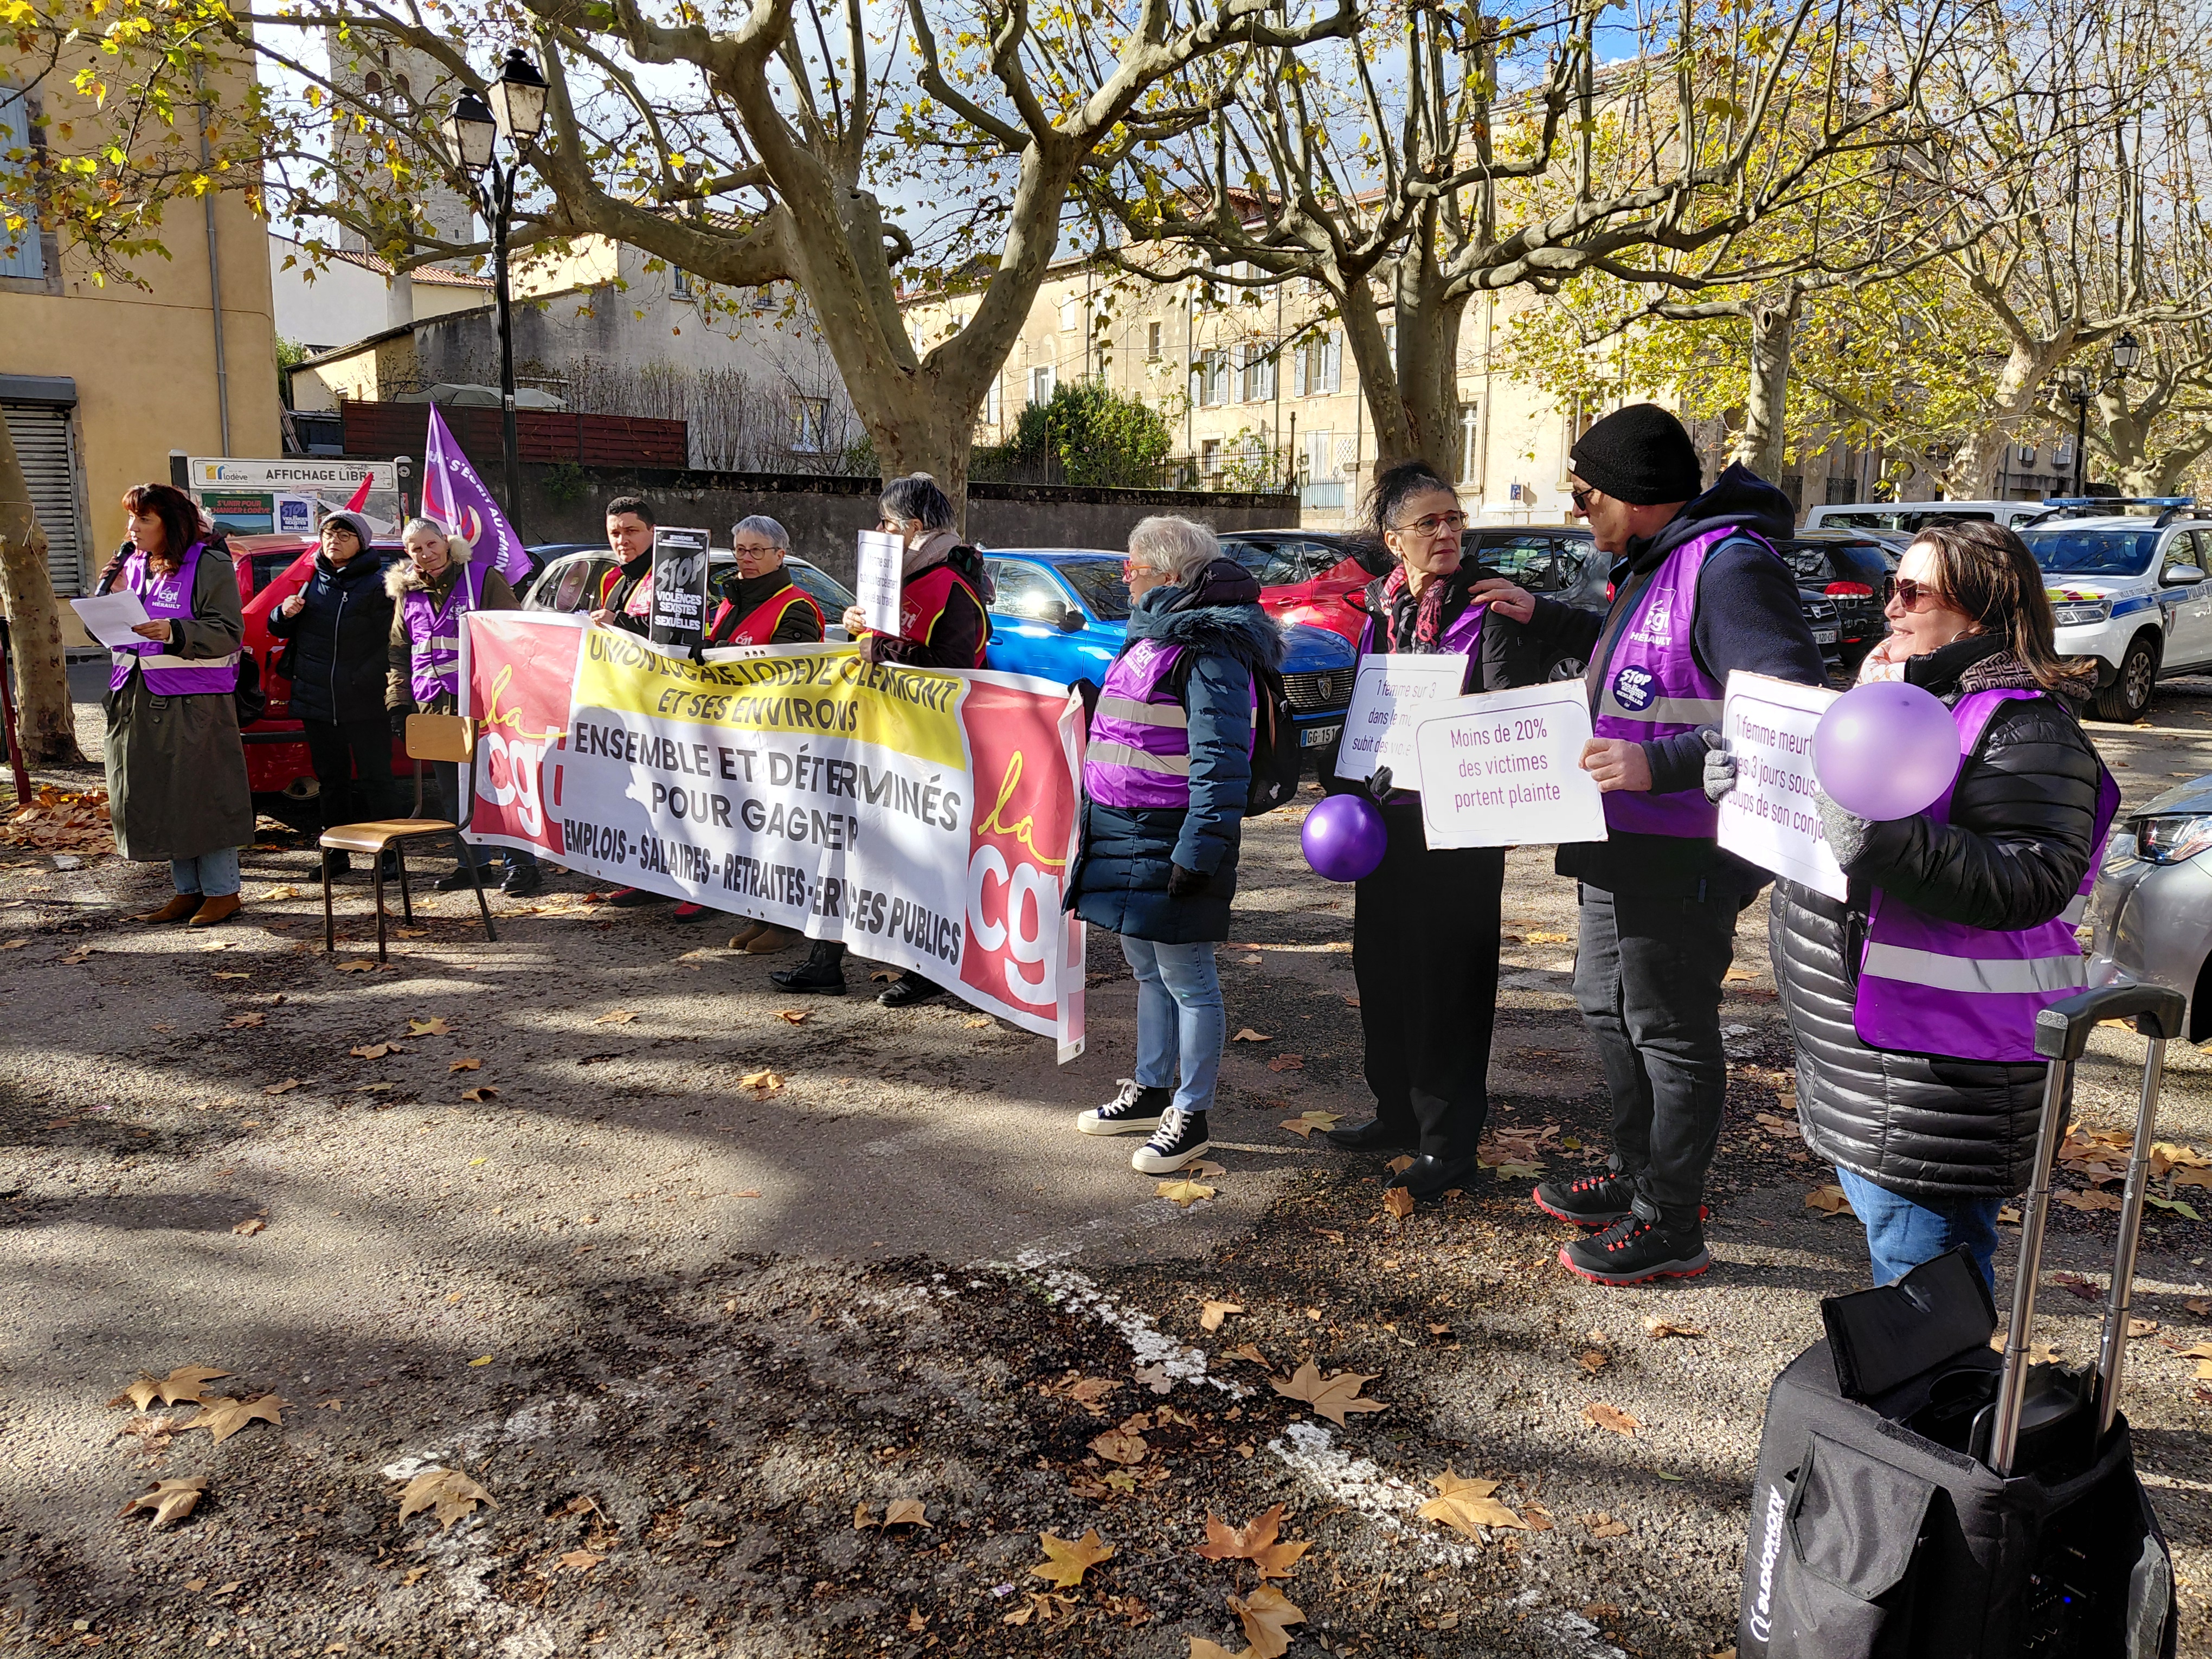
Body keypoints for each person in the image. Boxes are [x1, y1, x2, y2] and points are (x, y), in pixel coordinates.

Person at [1727, 522, 2110, 1289]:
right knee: (1908, 1273)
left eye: (1912, 591)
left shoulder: (2026, 727)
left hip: (1944, 1069)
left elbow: (2031, 880)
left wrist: (1879, 839)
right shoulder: (1908, 696)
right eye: (1889, 588)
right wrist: (1750, 785)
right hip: (1876, 1056)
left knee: (1925, 1287)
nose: (1889, 606)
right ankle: (1927, 1402)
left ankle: (1941, 1407)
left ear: (1984, 611)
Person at [1512, 404, 1827, 1285]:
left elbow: (1788, 714)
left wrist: (1662, 765)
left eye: (1584, 496)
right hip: (1616, 842)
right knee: (1605, 1006)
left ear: (1634, 494)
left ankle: (1671, 1220)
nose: (1579, 514)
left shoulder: (1727, 567)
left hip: (1684, 848)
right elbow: (1635, 671)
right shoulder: (1651, 564)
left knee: (1668, 1029)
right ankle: (1635, 1171)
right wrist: (1546, 617)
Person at [1314, 461, 1542, 1204]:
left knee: (1448, 986)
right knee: (1381, 972)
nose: (1447, 534)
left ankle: (1448, 1145)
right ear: (1393, 540)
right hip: (1384, 826)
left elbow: (1511, 713)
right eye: (1428, 524)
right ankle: (1396, 1114)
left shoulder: (1491, 609)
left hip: (1458, 828)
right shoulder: (1381, 613)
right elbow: (1367, 711)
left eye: (1455, 520)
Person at [1069, 516, 1282, 1174]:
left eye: (1131, 568)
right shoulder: (1158, 634)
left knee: (1188, 979)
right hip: (1126, 831)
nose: (1125, 578)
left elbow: (1221, 759)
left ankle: (1191, 1115)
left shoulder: (1209, 647)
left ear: (1168, 574)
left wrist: (1200, 849)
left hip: (1170, 835)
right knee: (1148, 971)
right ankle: (1152, 1087)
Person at [773, 473, 992, 1005]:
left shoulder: (954, 586)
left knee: (924, 862)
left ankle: (930, 970)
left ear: (914, 528)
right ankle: (825, 961)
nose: (878, 530)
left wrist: (886, 652)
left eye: (887, 522)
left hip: (926, 754)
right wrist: (859, 628)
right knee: (842, 844)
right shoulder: (900, 580)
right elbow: (879, 645)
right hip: (873, 740)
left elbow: (955, 670)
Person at [102, 484, 254, 927]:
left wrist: (173, 630)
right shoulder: (133, 564)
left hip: (195, 703)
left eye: (144, 520)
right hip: (138, 696)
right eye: (131, 519)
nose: (132, 528)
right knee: (165, 796)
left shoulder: (209, 563)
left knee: (203, 794)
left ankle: (224, 892)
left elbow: (228, 631)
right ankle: (187, 892)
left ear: (172, 523)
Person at [683, 515, 825, 946]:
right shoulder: (730, 600)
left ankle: (787, 923)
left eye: (756, 551)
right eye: (741, 550)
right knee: (747, 830)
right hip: (733, 735)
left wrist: (723, 655)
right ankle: (760, 911)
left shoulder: (796, 605)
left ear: (780, 555)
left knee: (779, 831)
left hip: (778, 737)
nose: (745, 559)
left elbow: (792, 670)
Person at [384, 518, 542, 897]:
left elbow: (516, 635)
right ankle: (471, 865)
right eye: (416, 548)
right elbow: (399, 654)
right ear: (408, 554)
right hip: (434, 708)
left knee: (501, 787)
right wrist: (398, 704)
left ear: (447, 542)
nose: (426, 554)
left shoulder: (482, 579)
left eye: (431, 544)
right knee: (454, 794)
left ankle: (522, 865)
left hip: (488, 708)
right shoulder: (409, 594)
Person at [268, 510, 400, 877]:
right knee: (331, 782)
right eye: (328, 534)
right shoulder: (310, 578)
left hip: (365, 700)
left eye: (344, 534)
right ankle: (336, 856)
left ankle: (389, 855)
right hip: (317, 700)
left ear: (361, 543)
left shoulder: (379, 584)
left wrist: (364, 676)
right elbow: (276, 626)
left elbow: (393, 640)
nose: (334, 541)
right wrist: (284, 612)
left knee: (377, 780)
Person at [586, 496, 664, 907]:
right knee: (636, 796)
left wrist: (621, 623)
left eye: (632, 531)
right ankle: (646, 874)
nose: (623, 540)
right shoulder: (614, 580)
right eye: (615, 533)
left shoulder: (672, 573)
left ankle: (693, 889)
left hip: (664, 707)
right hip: (624, 705)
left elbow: (674, 635)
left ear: (652, 531)